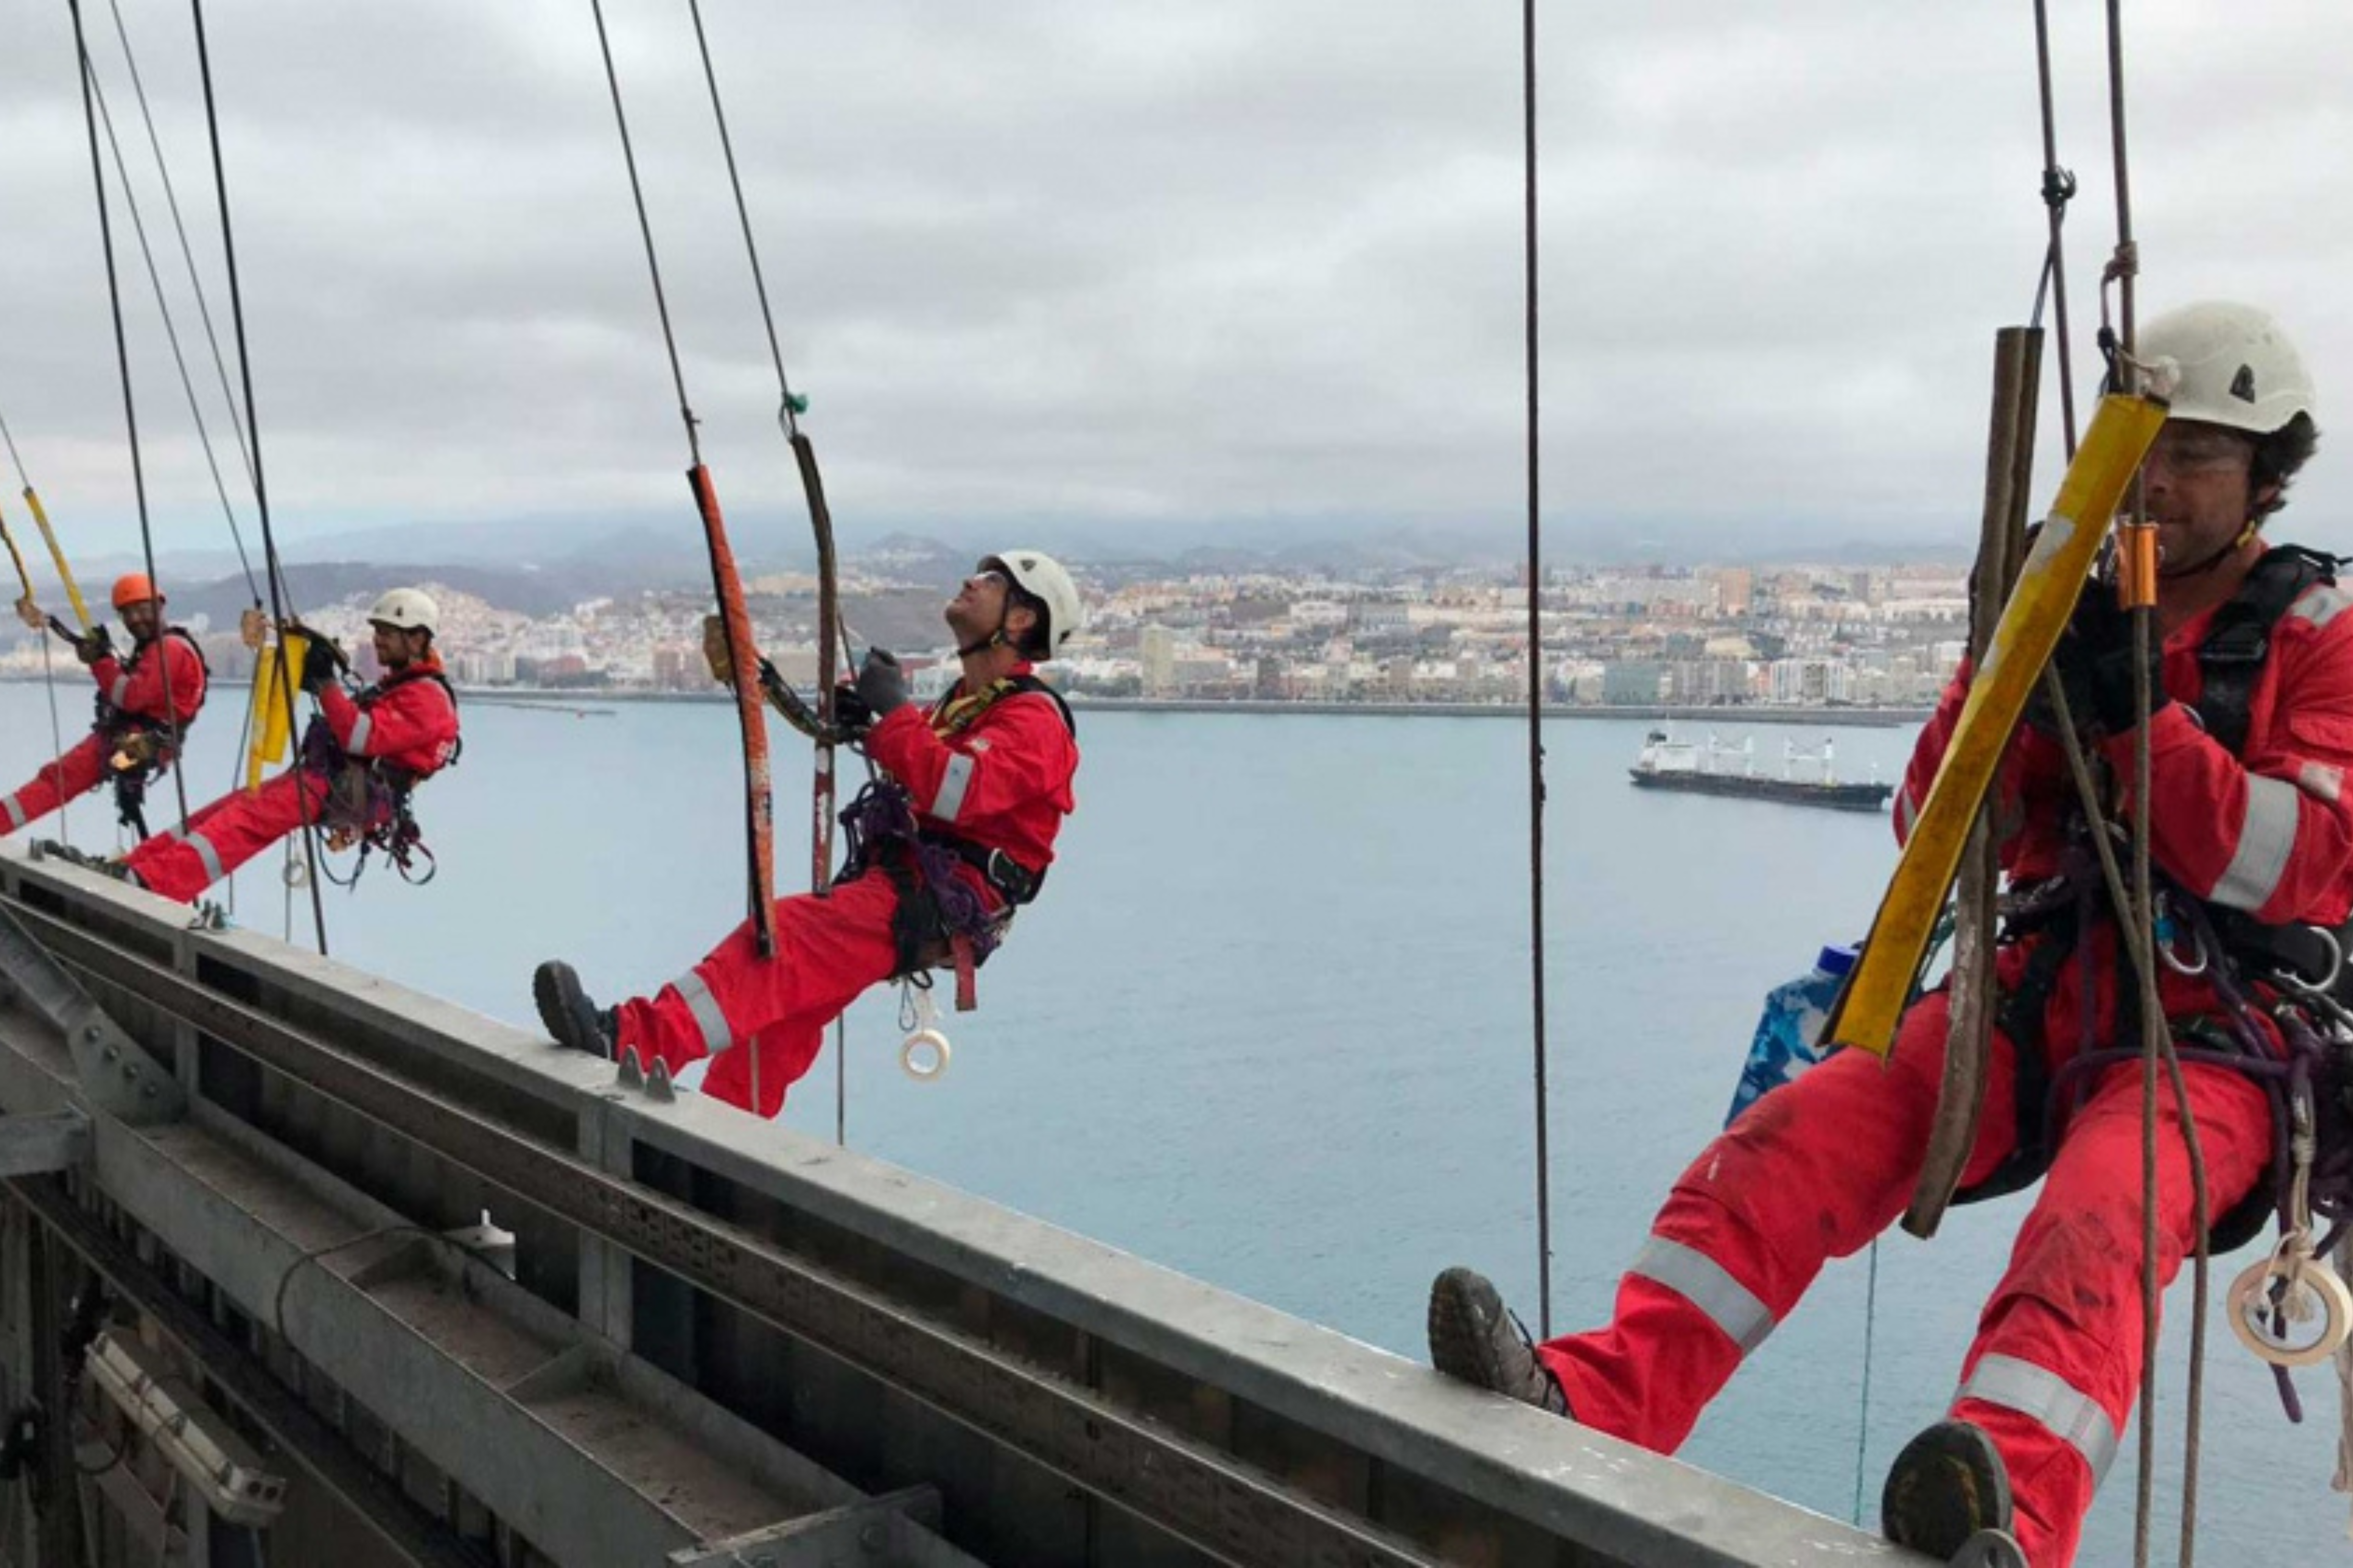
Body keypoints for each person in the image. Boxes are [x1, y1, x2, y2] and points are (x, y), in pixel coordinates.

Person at [1425, 302, 2353, 1567]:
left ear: (2265, 474)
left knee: (2097, 1218)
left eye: (2197, 452)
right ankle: (1596, 1400)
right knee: (1795, 1138)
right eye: (2147, 446)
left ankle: (2007, 1522)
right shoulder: (2066, 617)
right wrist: (2006, 672)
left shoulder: (2323, 637)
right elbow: (1933, 825)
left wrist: (2139, 717)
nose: (2159, 478)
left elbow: (2297, 863)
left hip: (2211, 1041)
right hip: (2036, 995)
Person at [533, 550, 1084, 1119]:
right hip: (915, 888)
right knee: (778, 1019)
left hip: (938, 897)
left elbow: (957, 789)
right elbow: (929, 764)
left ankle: (630, 1037)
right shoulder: (966, 706)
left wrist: (892, 713)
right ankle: (725, 1144)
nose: (972, 581)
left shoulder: (1036, 721)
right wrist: (874, 722)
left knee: (782, 939)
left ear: (1020, 620)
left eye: (993, 581)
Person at [118, 589, 461, 901]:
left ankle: (151, 884)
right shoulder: (407, 687)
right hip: (334, 778)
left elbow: (360, 737)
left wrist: (327, 685)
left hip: (348, 785)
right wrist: (324, 685)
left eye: (386, 634)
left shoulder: (428, 698)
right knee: (230, 809)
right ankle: (135, 867)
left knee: (246, 821)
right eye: (378, 632)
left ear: (416, 639)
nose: (378, 641)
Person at [3, 574, 208, 840]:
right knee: (59, 779)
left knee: (58, 780)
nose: (135, 619)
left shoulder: (169, 650)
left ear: (159, 606)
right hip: (143, 740)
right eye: (128, 613)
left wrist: (102, 663)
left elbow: (132, 696)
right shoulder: (164, 646)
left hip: (139, 741)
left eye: (142, 609)